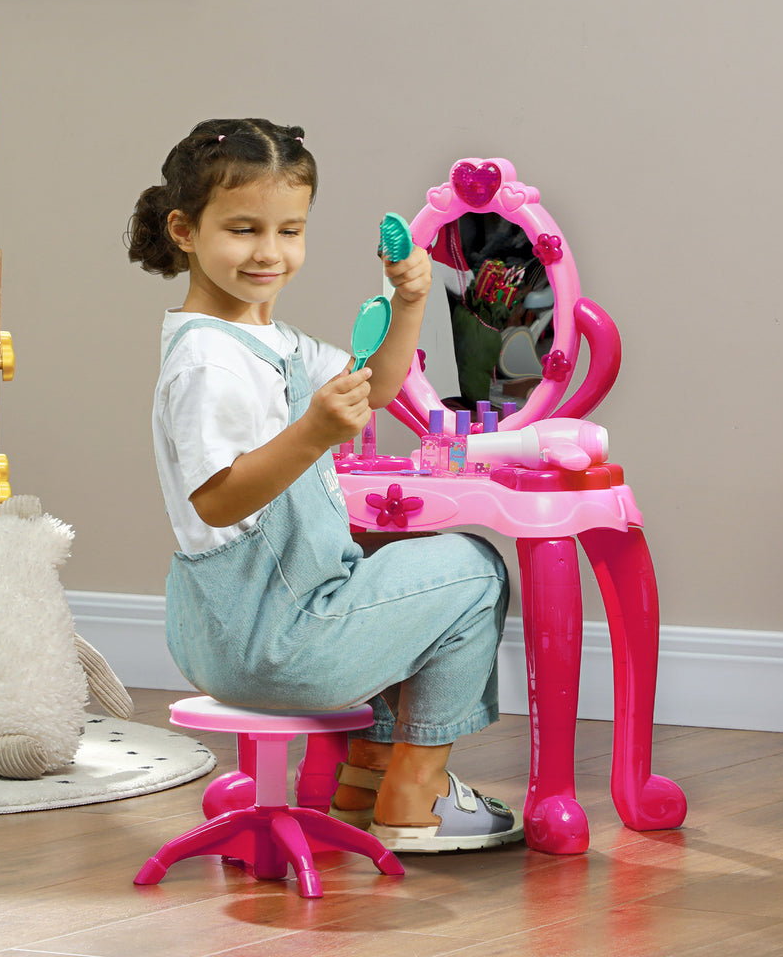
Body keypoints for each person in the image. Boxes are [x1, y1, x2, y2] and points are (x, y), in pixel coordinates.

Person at [127, 117, 521, 853]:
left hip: (230, 632)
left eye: (290, 231)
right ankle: (419, 793)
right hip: (274, 641)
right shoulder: (208, 360)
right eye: (243, 229)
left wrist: (406, 304)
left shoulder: (263, 341)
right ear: (184, 229)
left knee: (396, 571)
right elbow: (214, 497)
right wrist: (312, 434)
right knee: (474, 568)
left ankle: (366, 778)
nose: (270, 253)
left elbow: (374, 388)